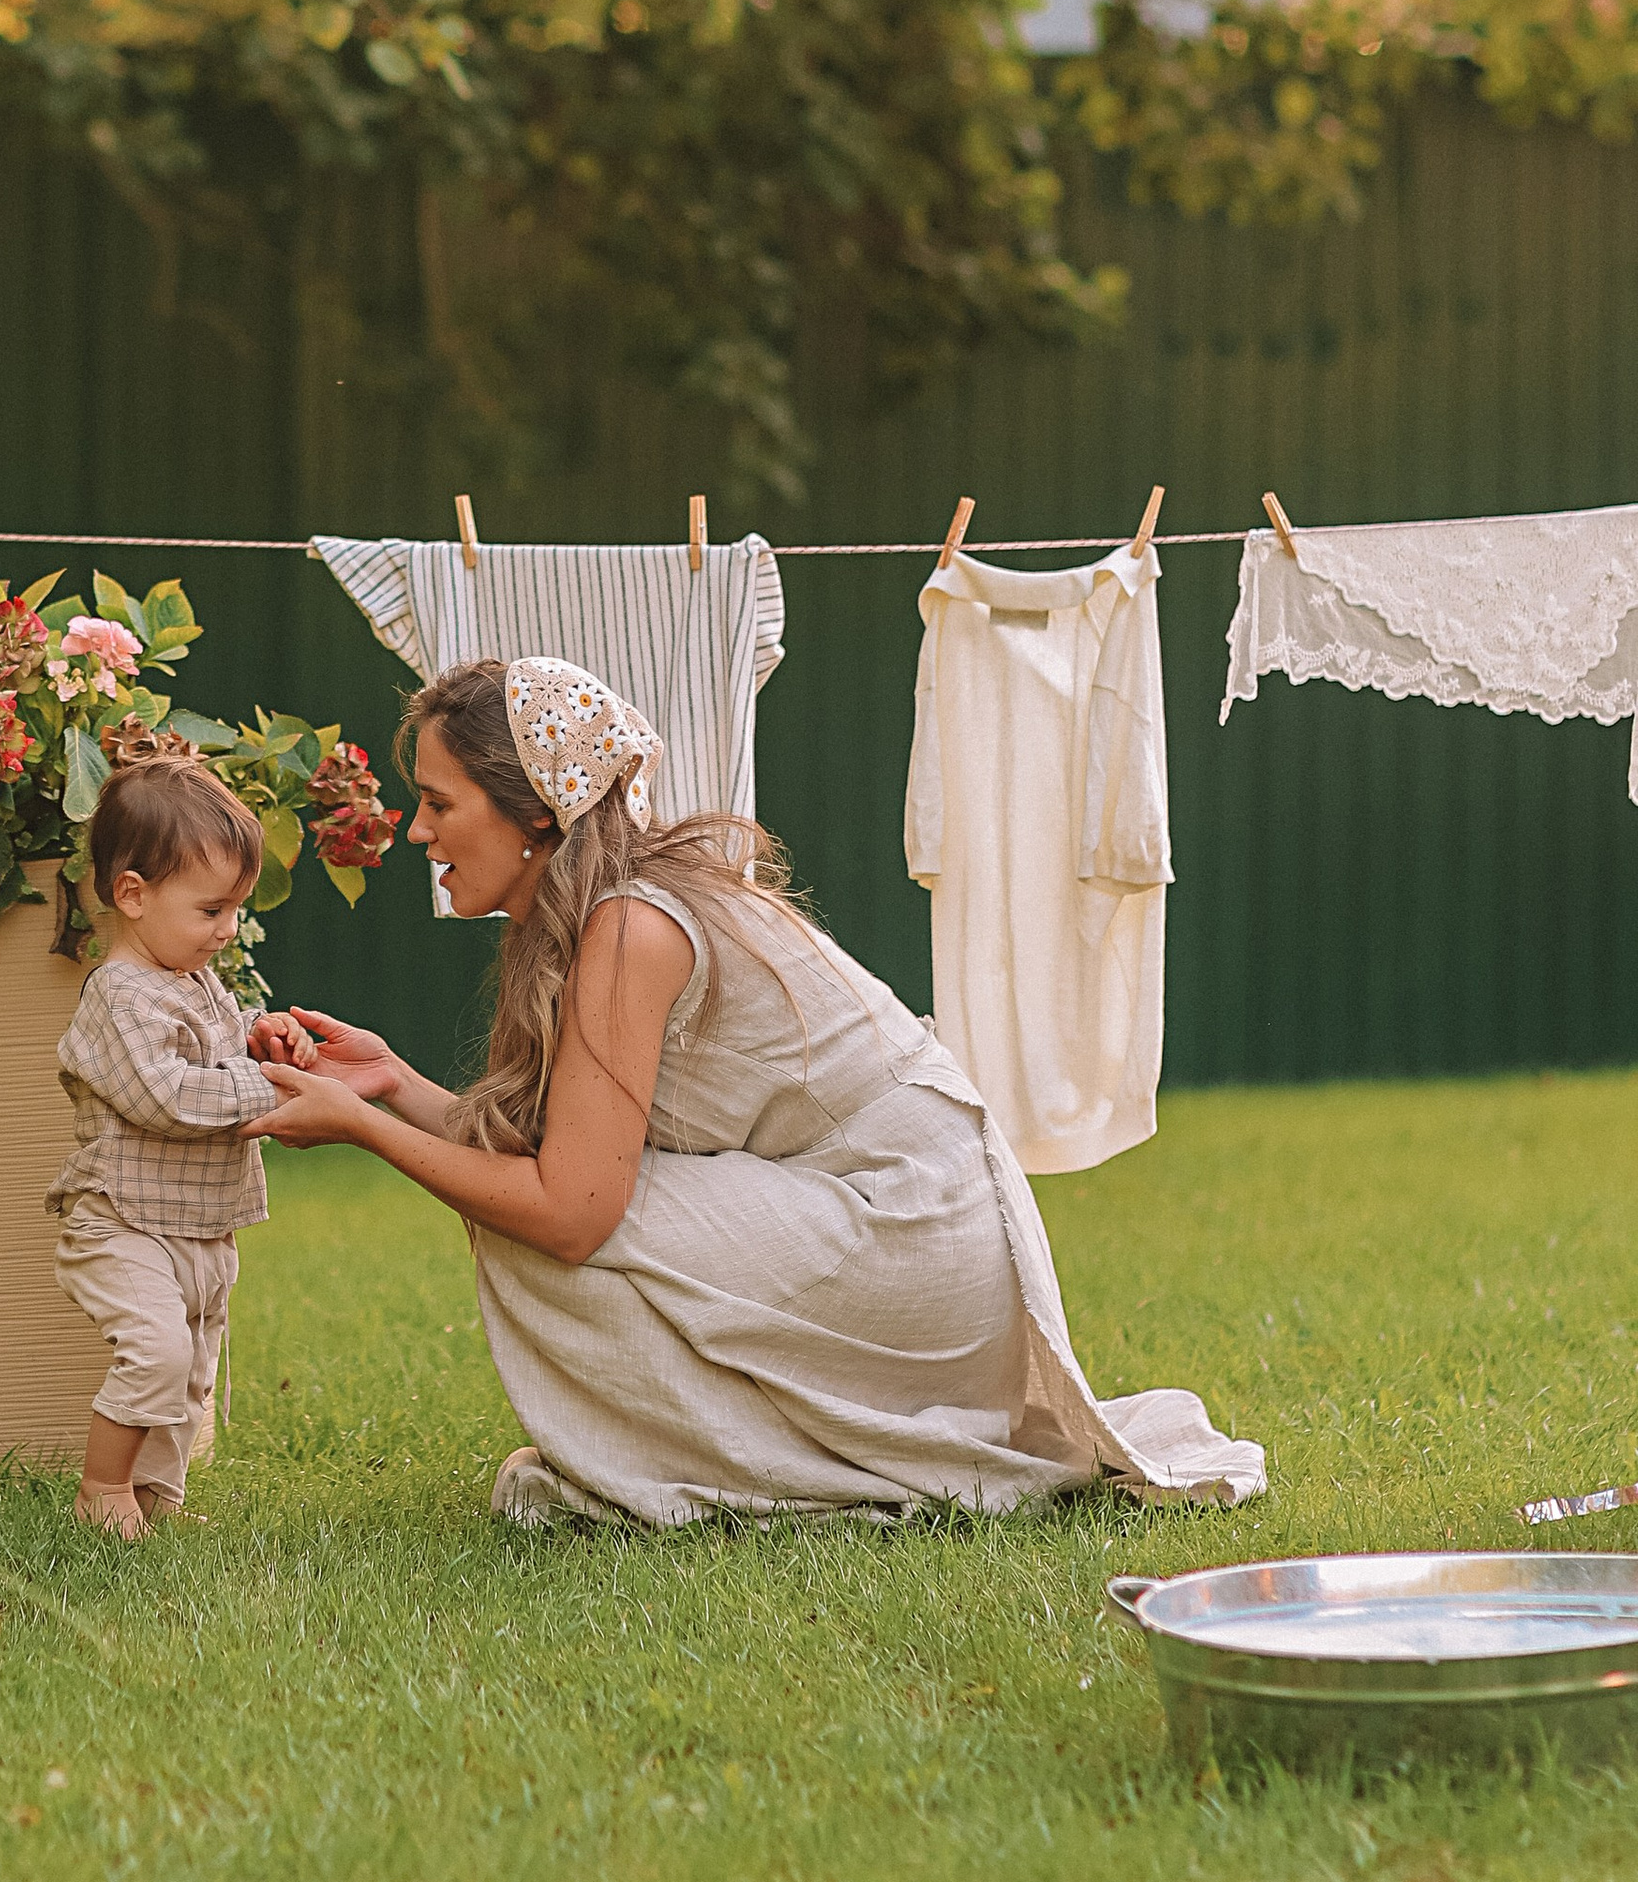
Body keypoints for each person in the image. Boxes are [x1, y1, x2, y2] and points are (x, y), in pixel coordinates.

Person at [257, 654, 1263, 1528]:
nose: (417, 832)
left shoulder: (627, 929)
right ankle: (717, 1467)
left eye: (438, 802)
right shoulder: (591, 916)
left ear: (534, 809)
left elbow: (569, 1211)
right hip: (901, 1222)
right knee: (549, 1215)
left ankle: (735, 1483)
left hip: (915, 1227)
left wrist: (362, 1129)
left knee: (544, 1241)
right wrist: (390, 1085)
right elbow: (560, 1154)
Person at [51, 739, 314, 1541]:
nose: (228, 930)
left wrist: (263, 1036)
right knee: (158, 1354)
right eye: (211, 911)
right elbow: (165, 1097)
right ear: (132, 894)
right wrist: (270, 1087)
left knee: (191, 1375)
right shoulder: (119, 994)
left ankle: (157, 1498)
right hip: (123, 1220)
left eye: (236, 910)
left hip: (200, 1222)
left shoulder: (190, 977)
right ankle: (102, 1488)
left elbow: (220, 1043)